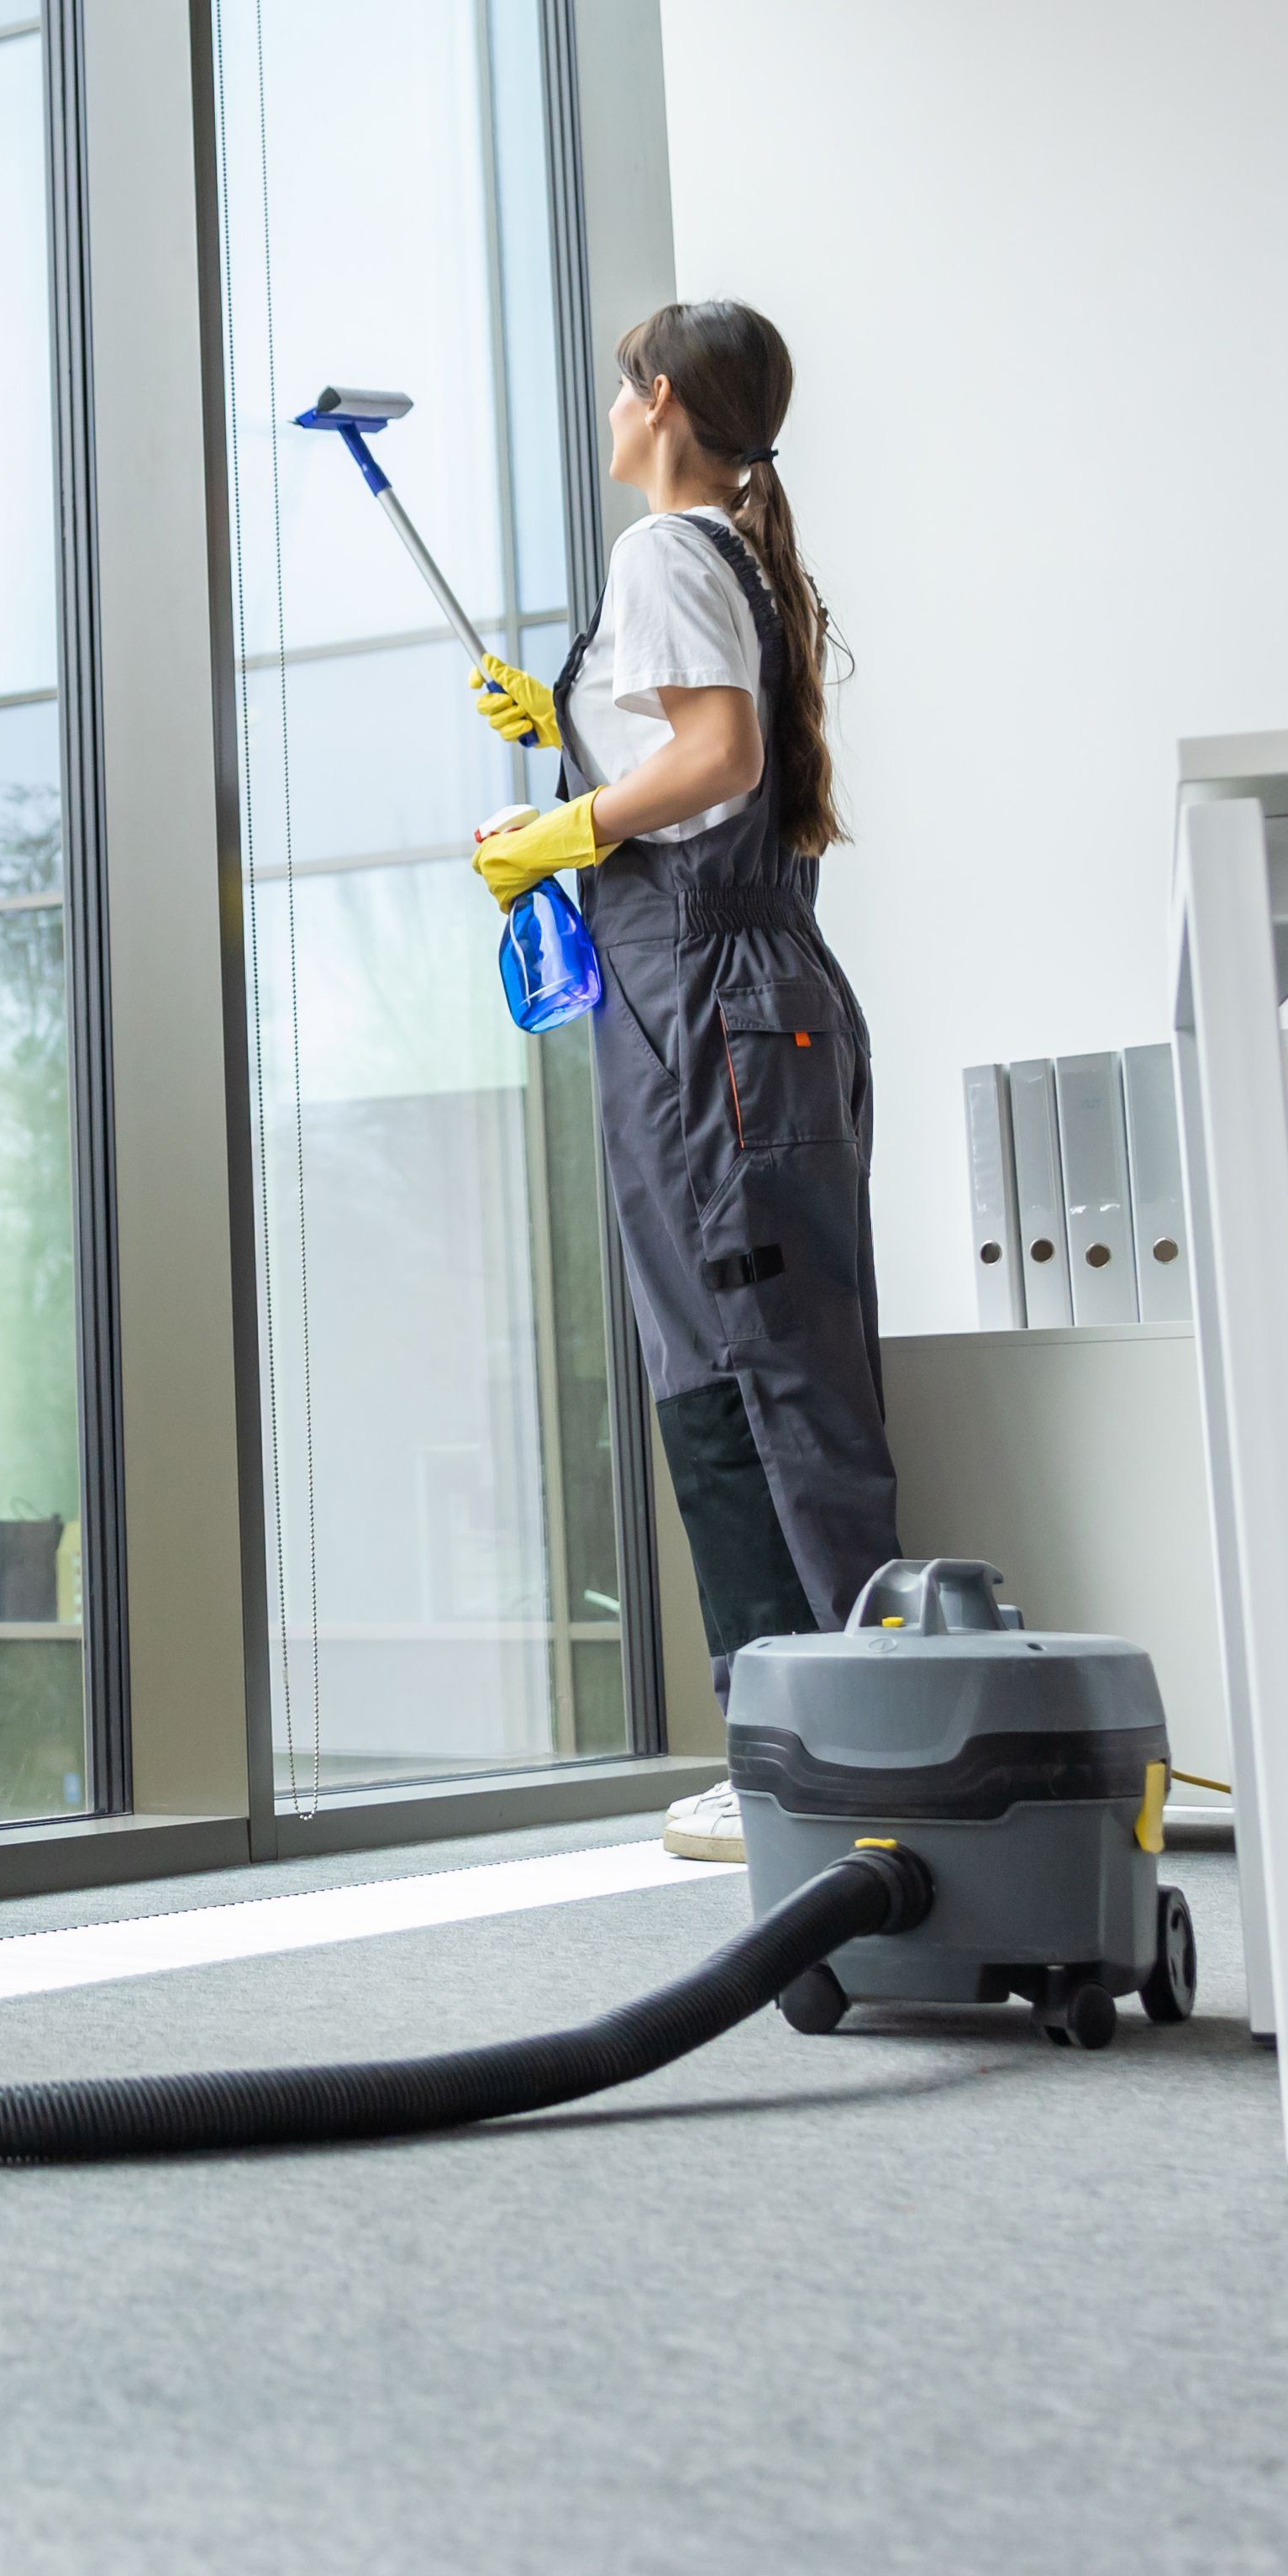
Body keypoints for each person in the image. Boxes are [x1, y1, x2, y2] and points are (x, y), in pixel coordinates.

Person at [465, 303, 896, 1864]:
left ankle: (827, 1755)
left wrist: (569, 830)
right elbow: (700, 757)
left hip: (710, 1009)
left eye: (616, 386)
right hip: (723, 1006)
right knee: (738, 1369)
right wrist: (576, 743)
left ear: (656, 400)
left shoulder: (664, 554)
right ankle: (808, 1741)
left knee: (752, 1379)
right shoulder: (730, 556)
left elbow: (712, 763)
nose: (606, 408)